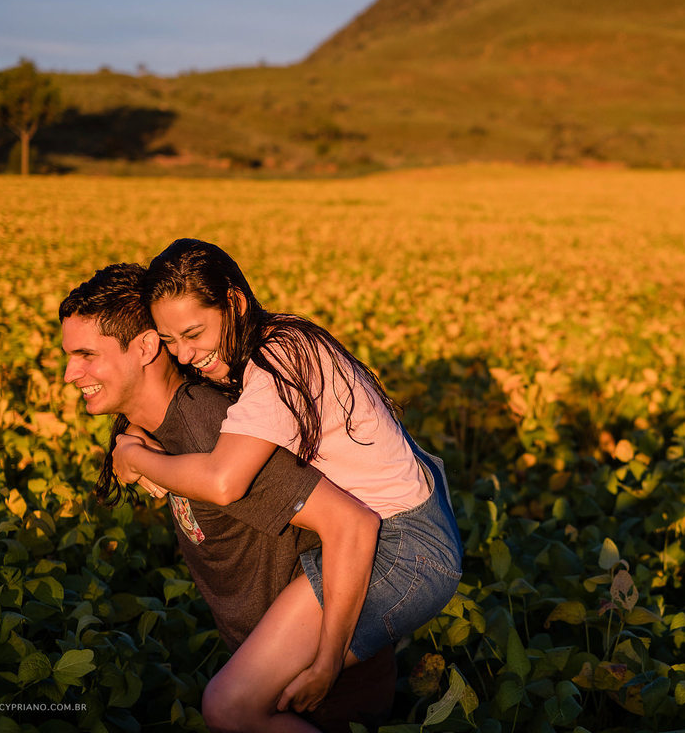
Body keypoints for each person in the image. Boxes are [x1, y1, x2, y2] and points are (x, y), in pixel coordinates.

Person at [110, 239, 463, 732]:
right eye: (169, 341)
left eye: (193, 333)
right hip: (398, 528)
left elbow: (223, 481)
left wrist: (135, 457)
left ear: (233, 302)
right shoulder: (273, 340)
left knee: (229, 706)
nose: (185, 355)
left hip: (405, 547)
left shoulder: (275, 365)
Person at [59, 263, 396, 733]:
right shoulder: (166, 428)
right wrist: (129, 446)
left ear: (144, 348)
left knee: (224, 709)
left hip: (325, 686)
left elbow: (350, 523)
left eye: (86, 355)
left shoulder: (215, 431)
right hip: (275, 676)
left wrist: (327, 663)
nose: (70, 372)